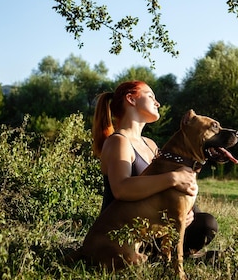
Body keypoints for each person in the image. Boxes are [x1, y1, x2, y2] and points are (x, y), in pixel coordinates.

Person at [92, 80, 218, 257]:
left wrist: (185, 214)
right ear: (131, 99)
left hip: (154, 228)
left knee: (205, 223)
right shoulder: (118, 141)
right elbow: (121, 189)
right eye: (151, 96)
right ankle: (169, 257)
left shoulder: (151, 145)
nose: (157, 103)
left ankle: (172, 256)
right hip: (124, 234)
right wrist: (174, 177)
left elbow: (166, 192)